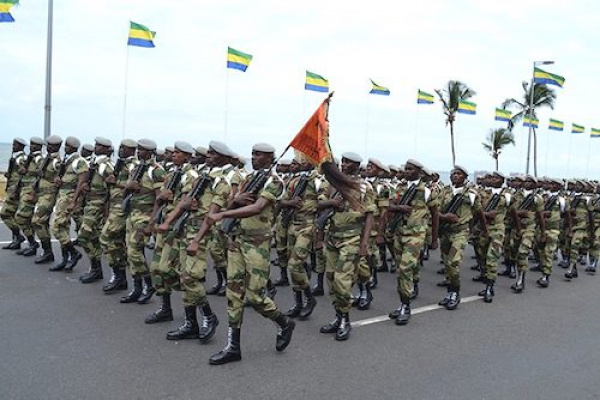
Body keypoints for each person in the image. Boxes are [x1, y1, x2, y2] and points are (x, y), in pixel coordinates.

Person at [202, 143, 295, 365]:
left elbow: (256, 207)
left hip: (257, 244)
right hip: (237, 241)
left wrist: (223, 214)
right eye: (253, 153)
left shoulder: (274, 182)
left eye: (259, 155)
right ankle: (233, 347)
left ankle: (283, 322)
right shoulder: (247, 180)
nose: (254, 157)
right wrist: (233, 202)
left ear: (270, 157)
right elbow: (233, 200)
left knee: (255, 296)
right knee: (233, 294)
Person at [318, 152, 375, 340]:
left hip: (351, 239)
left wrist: (364, 243)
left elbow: (369, 216)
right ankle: (338, 315)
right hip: (332, 237)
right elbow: (317, 204)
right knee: (331, 279)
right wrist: (331, 202)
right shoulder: (332, 185)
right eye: (342, 161)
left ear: (357, 165)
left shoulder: (364, 187)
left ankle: (345, 319)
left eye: (348, 162)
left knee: (342, 282)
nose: (343, 164)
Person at [388, 159, 439, 324]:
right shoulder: (400, 187)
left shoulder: (426, 191)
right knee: (403, 268)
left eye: (411, 169)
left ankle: (405, 305)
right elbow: (389, 206)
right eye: (406, 169)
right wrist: (399, 208)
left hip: (416, 235)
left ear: (419, 172)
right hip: (399, 233)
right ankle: (410, 289)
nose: (407, 172)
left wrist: (434, 238)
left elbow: (435, 214)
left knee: (405, 269)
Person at [120, 139, 166, 303]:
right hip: (132, 214)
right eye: (138, 149)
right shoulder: (135, 168)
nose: (139, 152)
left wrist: (151, 223)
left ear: (151, 152)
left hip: (145, 216)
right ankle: (137, 287)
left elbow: (159, 199)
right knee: (130, 253)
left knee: (134, 251)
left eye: (143, 150)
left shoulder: (156, 171)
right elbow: (125, 194)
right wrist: (129, 187)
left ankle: (148, 284)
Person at [438, 165, 486, 310]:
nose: (455, 176)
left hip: (460, 232)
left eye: (458, 174)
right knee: (447, 263)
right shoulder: (444, 191)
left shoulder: (471, 194)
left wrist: (482, 230)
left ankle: (455, 293)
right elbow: (435, 212)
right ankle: (450, 291)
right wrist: (444, 217)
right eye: (453, 174)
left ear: (465, 177)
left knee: (453, 262)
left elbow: (479, 213)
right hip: (446, 231)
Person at [279, 158, 319, 320]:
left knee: (294, 264)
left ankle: (309, 298)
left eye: (304, 160)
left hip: (308, 224)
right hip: (292, 225)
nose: (300, 162)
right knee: (294, 266)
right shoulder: (294, 181)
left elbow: (327, 202)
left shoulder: (318, 181)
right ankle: (298, 302)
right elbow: (280, 201)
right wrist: (290, 202)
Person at [71, 137, 114, 284]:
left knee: (83, 236)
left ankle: (97, 268)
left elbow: (111, 190)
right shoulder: (94, 163)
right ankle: (96, 268)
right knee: (93, 236)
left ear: (107, 149)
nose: (96, 147)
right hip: (90, 202)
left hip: (98, 204)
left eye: (100, 146)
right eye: (96, 145)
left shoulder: (105, 166)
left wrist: (107, 211)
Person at [99, 139, 138, 294]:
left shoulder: (134, 166)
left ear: (132, 150)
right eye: (120, 147)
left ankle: (120, 275)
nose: (121, 150)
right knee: (116, 242)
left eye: (125, 148)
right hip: (115, 205)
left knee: (105, 238)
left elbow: (136, 187)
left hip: (124, 207)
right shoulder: (120, 163)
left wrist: (116, 183)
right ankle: (120, 277)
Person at [50, 137, 86, 272]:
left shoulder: (79, 162)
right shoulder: (67, 160)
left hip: (69, 197)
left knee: (56, 227)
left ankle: (74, 253)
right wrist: (58, 180)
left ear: (73, 147)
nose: (65, 148)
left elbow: (81, 183)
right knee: (63, 228)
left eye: (68, 146)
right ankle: (65, 259)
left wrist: (73, 201)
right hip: (62, 195)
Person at [510, 175, 545, 292]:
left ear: (535, 184)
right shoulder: (515, 196)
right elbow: (511, 212)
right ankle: (518, 271)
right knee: (513, 251)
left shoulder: (537, 198)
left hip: (529, 228)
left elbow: (540, 216)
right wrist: (520, 213)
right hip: (516, 228)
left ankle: (520, 280)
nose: (527, 183)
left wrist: (543, 232)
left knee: (522, 252)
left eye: (530, 181)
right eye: (525, 181)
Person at [31, 135, 63, 264]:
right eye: (48, 144)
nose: (49, 147)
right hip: (42, 194)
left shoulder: (57, 161)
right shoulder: (47, 158)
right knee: (41, 222)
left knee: (37, 221)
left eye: (52, 145)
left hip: (49, 195)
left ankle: (48, 251)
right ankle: (47, 252)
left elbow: (61, 178)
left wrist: (53, 180)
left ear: (57, 146)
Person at [14, 137, 45, 256]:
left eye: (35, 145)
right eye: (31, 144)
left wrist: (35, 192)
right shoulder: (30, 157)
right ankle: (31, 244)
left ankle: (33, 243)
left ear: (39, 147)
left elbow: (41, 174)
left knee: (21, 217)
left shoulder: (38, 159)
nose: (32, 146)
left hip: (31, 190)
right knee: (25, 218)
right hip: (24, 189)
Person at [1, 137, 28, 250]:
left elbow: (23, 175)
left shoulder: (21, 158)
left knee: (4, 213)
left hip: (15, 190)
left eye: (15, 145)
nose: (13, 147)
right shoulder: (16, 157)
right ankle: (16, 241)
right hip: (12, 188)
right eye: (13, 145)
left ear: (21, 146)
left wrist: (16, 191)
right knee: (11, 214)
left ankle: (18, 236)